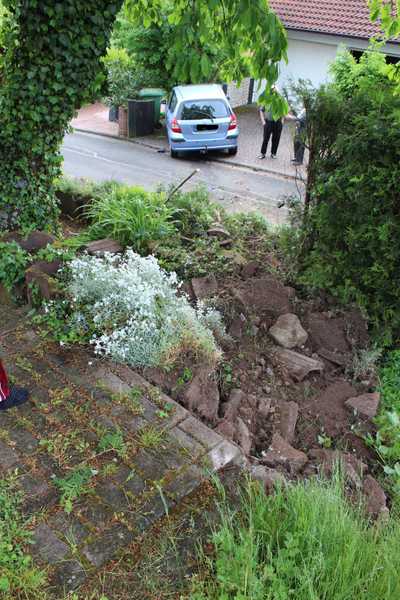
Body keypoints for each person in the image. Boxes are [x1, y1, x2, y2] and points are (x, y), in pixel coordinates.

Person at [257, 86, 283, 160]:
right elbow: (261, 110)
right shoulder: (266, 100)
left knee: (276, 139)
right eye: (272, 91)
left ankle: (273, 153)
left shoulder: (280, 100)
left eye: (275, 91)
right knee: (265, 138)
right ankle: (263, 153)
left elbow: (283, 112)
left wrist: (282, 122)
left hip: (278, 122)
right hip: (268, 122)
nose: (273, 92)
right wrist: (263, 122)